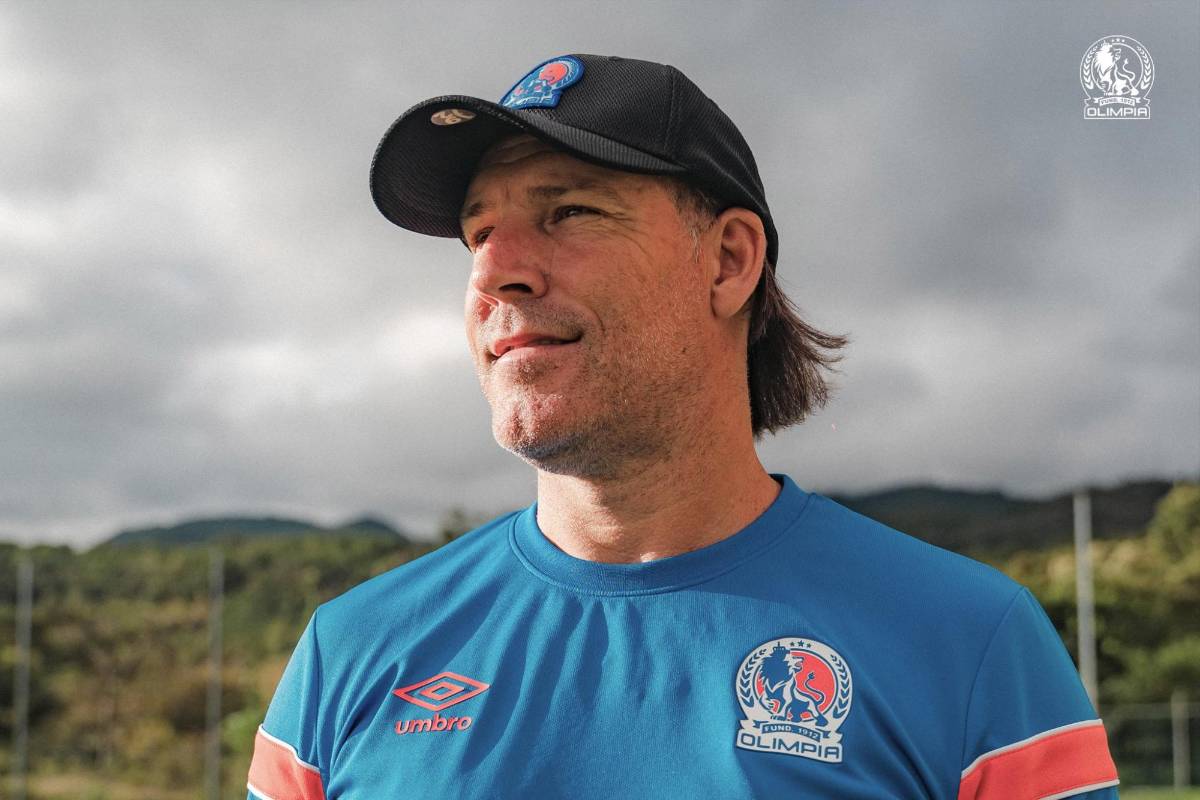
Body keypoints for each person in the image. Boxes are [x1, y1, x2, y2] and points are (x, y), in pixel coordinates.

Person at [246, 54, 1119, 799]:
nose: (494, 275)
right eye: (479, 233)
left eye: (570, 212)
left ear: (729, 262)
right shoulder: (351, 648)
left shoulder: (968, 643)